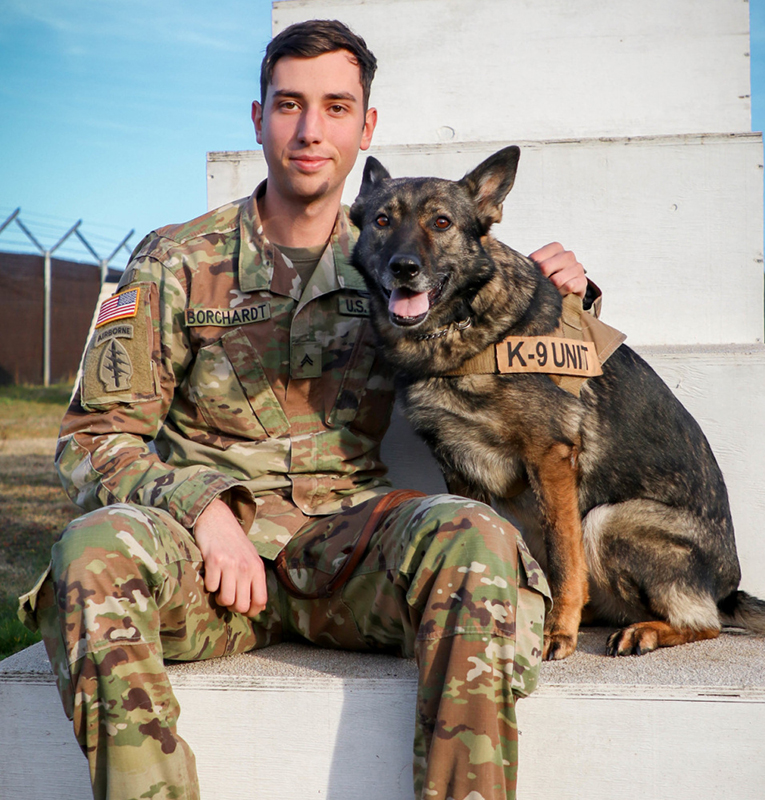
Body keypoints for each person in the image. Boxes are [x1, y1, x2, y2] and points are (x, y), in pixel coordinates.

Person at [20, 19, 590, 800]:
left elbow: (513, 338)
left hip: (347, 555)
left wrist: (567, 289)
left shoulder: (407, 257)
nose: (310, 129)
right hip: (206, 567)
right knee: (90, 550)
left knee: (475, 539)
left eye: (335, 106)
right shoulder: (178, 259)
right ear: (259, 119)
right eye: (289, 104)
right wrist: (205, 508)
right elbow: (93, 437)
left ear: (366, 126)